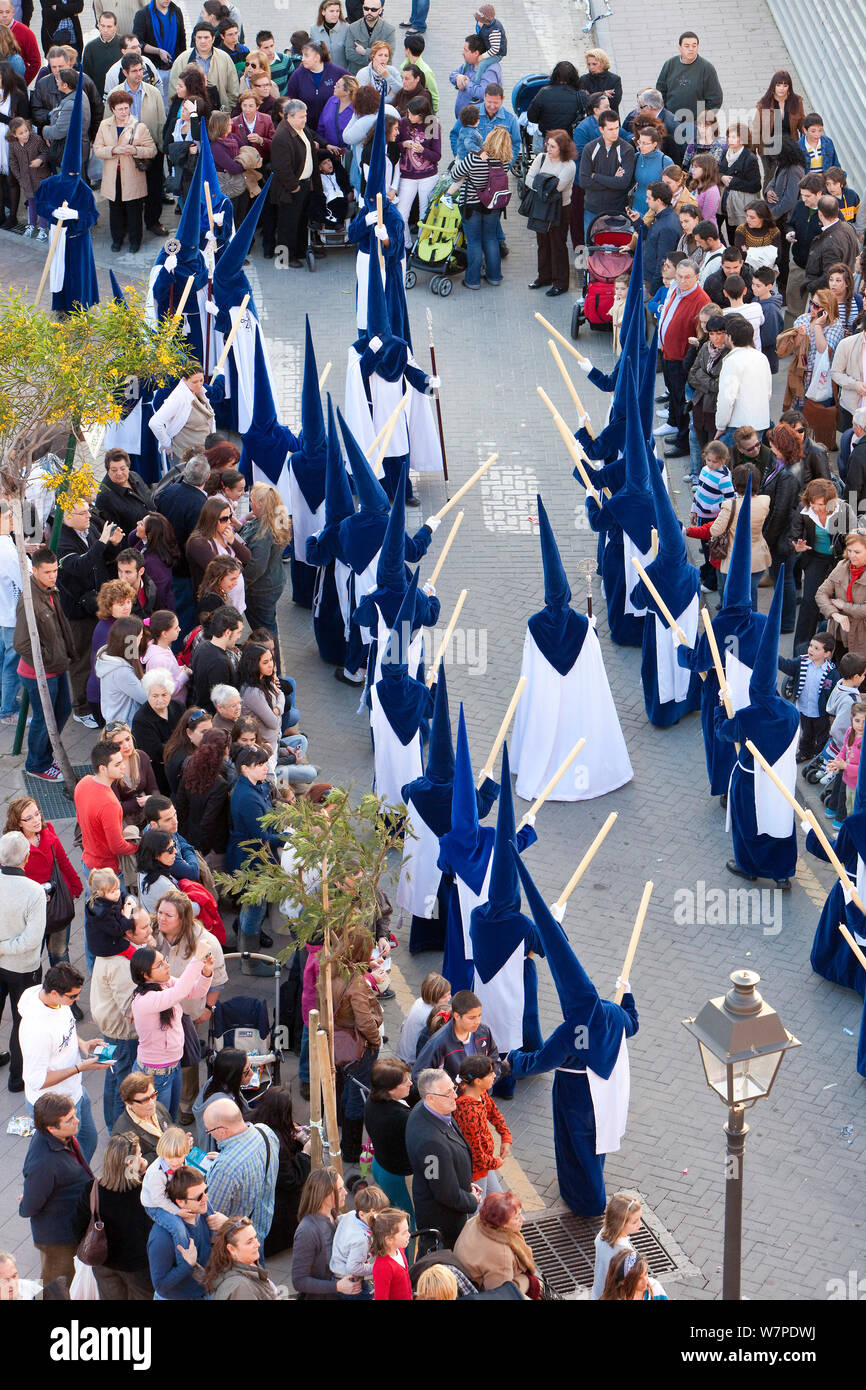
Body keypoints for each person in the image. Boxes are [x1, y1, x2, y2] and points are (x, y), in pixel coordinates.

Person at [19, 962, 110, 1162]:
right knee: (68, 1160)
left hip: (75, 1092)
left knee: (89, 1140)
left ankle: (79, 1178)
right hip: (54, 1108)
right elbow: (37, 1080)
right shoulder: (37, 1031)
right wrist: (79, 1068)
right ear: (53, 993)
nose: (77, 999)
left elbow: (65, 1030)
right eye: (73, 996)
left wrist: (83, 1044)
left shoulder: (42, 996)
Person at [13, 546, 76, 782]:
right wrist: (48, 658)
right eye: (47, 572)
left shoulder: (49, 589)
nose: (53, 576)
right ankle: (36, 764)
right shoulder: (29, 600)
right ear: (34, 570)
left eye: (54, 571)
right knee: (44, 718)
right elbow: (20, 643)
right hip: (39, 672)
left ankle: (46, 755)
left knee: (62, 710)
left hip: (56, 666)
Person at [19, 1092, 94, 1289]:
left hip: (72, 1223)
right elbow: (28, 1208)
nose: (77, 1120)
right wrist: (28, 1198)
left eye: (75, 1114)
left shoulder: (62, 1138)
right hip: (58, 1239)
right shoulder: (44, 1163)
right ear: (52, 1128)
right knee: (57, 1288)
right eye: (70, 1120)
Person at [130, 943, 212, 1117]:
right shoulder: (145, 999)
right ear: (145, 975)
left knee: (170, 1117)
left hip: (173, 1066)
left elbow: (194, 991)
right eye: (160, 965)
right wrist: (197, 960)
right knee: (159, 1121)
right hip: (155, 1074)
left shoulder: (164, 983)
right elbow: (181, 991)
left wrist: (206, 973)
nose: (167, 966)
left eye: (164, 960)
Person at [404, 1067, 478, 1251]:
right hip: (444, 1222)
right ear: (430, 1098)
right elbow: (445, 1192)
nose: (455, 1095)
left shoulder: (428, 1108)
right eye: (448, 1093)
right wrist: (472, 1200)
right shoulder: (430, 1143)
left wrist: (466, 1183)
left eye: (453, 1088)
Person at [4, 798, 82, 967]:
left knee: (60, 954)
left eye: (37, 814)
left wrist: (75, 886)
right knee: (31, 958)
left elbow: (62, 861)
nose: (36, 820)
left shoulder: (49, 833)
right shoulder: (12, 845)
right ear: (18, 823)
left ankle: (62, 990)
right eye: (29, 818)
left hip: (56, 904)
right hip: (29, 911)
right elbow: (8, 879)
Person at [0, 830, 47, 1095]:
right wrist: (5, 949)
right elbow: (31, 940)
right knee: (22, 1021)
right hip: (23, 968)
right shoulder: (34, 891)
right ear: (27, 858)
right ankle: (17, 1079)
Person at [791, 479, 856, 653]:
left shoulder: (843, 511)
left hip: (839, 562)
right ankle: (801, 651)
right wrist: (797, 547)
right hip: (815, 558)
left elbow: (852, 541)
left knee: (838, 603)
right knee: (809, 602)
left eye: (821, 504)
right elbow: (793, 536)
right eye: (813, 503)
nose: (816, 508)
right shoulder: (804, 510)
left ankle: (837, 652)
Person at [201, 1098, 279, 1245]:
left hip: (237, 1242)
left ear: (222, 1131)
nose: (209, 1134)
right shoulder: (265, 1132)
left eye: (209, 1130)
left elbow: (212, 1214)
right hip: (260, 1230)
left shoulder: (225, 1168)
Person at [93, 86, 157, 251]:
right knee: (115, 209)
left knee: (134, 210)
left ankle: (135, 241)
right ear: (113, 109)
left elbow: (152, 150)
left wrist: (135, 150)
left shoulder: (139, 126)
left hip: (132, 176)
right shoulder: (104, 125)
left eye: (126, 108)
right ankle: (117, 240)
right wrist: (113, 150)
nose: (123, 112)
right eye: (120, 109)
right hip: (112, 176)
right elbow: (97, 149)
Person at [448, 124, 511, 291]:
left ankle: (473, 280)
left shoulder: (474, 158)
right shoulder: (503, 161)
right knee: (490, 239)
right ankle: (494, 277)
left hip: (471, 205)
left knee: (474, 241)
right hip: (492, 205)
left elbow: (455, 176)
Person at [92, 1132, 154, 1300]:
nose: (142, 1158)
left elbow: (78, 1227)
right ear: (129, 1163)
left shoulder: (92, 1190)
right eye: (140, 1154)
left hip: (103, 1263)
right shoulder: (142, 1194)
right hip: (137, 1267)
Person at [707, 463, 771, 610]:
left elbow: (715, 531)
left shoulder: (730, 505)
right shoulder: (764, 501)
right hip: (757, 558)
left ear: (735, 484)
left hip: (734, 560)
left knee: (733, 597)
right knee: (751, 595)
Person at [74, 740, 141, 877]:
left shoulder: (83, 783)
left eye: (121, 761)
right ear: (102, 768)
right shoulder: (110, 804)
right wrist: (138, 846)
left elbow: (80, 820)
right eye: (117, 764)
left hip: (88, 862)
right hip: (108, 872)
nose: (123, 766)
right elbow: (117, 846)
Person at [454, 1191, 540, 1297]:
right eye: (517, 1218)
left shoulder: (480, 1219)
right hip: (478, 1291)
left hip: (463, 1272)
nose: (523, 1219)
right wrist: (529, 1281)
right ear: (501, 1224)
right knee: (534, 1282)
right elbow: (501, 1293)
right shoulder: (501, 1254)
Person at [292, 1168, 361, 1298]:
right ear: (324, 1194)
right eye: (339, 1189)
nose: (345, 1193)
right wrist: (337, 1286)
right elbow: (299, 1281)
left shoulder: (334, 1214)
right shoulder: (307, 1231)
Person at [147, 1165, 212, 1300]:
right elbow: (160, 1285)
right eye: (199, 1196)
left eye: (206, 1190)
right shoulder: (161, 1238)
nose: (206, 1198)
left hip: (207, 1290)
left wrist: (225, 1224)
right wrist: (187, 1265)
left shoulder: (205, 1210)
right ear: (181, 1202)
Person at [525, 128, 576, 298]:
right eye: (548, 145)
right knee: (542, 242)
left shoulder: (569, 165)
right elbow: (527, 179)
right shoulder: (541, 158)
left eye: (553, 146)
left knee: (557, 245)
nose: (548, 149)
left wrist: (540, 183)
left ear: (562, 148)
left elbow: (558, 188)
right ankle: (544, 277)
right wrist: (545, 185)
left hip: (560, 209)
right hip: (542, 206)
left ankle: (560, 283)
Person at [454, 1054, 511, 1196]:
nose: (494, 1075)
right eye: (490, 1073)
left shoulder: (481, 1092)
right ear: (478, 1081)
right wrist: (495, 1163)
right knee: (479, 1211)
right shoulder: (468, 1113)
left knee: (498, 1200)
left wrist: (505, 1136)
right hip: (476, 1170)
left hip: (485, 1164)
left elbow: (493, 1112)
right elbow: (475, 1153)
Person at [654, 31, 722, 150]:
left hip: (694, 124)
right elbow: (660, 91)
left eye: (694, 45)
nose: (691, 49)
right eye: (687, 46)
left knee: (691, 155)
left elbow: (716, 99)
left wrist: (702, 120)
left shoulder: (707, 68)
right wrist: (665, 114)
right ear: (679, 48)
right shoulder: (670, 64)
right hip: (671, 121)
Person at [363, 1057, 415, 1212]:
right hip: (399, 1177)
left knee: (392, 1206)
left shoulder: (373, 1099)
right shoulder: (401, 1118)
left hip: (380, 1165)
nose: (411, 1083)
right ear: (391, 1089)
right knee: (407, 1216)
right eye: (405, 1082)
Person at [778, 633, 839, 761]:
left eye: (816, 648)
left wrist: (832, 713)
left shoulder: (831, 672)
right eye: (811, 645)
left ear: (827, 653)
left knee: (822, 735)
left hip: (821, 712)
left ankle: (819, 755)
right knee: (805, 733)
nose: (811, 649)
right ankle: (805, 752)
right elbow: (787, 665)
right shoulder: (802, 662)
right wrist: (773, 655)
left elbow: (834, 694)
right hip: (804, 708)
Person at [713, 313, 772, 445]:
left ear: (731, 338)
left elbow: (727, 398)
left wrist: (720, 426)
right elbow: (768, 392)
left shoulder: (732, 361)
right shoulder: (761, 357)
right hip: (760, 422)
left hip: (739, 426)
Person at [578, 108, 635, 239]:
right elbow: (584, 181)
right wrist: (613, 180)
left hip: (617, 211)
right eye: (610, 129)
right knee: (592, 250)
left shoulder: (627, 150)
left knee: (616, 252)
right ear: (601, 129)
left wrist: (595, 176)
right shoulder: (590, 148)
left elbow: (623, 183)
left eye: (616, 128)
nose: (615, 132)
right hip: (592, 210)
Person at [330, 1181, 389, 1298]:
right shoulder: (361, 1240)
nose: (381, 1219)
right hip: (350, 1281)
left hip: (338, 1271)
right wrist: (376, 1267)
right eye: (377, 1216)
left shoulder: (351, 1214)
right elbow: (353, 1267)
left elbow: (338, 1221)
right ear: (362, 1214)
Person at [204, 1218, 286, 1300]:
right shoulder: (240, 1287)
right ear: (231, 1249)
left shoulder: (248, 1266)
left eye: (255, 1237)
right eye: (249, 1242)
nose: (258, 1244)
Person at [394, 96, 440, 236]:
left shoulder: (433, 125)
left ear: (422, 114)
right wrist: (403, 144)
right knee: (401, 213)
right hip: (407, 175)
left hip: (429, 175)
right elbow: (393, 146)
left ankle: (421, 246)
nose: (409, 116)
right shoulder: (402, 123)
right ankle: (406, 246)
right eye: (408, 112)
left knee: (425, 213)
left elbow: (437, 155)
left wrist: (423, 151)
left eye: (412, 114)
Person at [817, 533, 866, 659]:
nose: (852, 556)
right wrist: (835, 614)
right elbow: (821, 593)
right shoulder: (842, 566)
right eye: (849, 550)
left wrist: (844, 606)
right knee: (837, 669)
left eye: (857, 552)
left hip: (861, 635)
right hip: (838, 632)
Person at [785, 173, 827, 319]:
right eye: (802, 195)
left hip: (819, 273)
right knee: (793, 308)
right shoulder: (799, 206)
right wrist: (790, 232)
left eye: (807, 196)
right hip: (798, 266)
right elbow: (790, 223)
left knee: (820, 310)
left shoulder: (829, 211)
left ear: (819, 193)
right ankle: (790, 339)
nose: (803, 199)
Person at [804, 194, 860, 294]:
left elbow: (829, 276)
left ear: (820, 213)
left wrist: (810, 286)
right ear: (837, 210)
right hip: (846, 288)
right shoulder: (848, 227)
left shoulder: (830, 243)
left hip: (829, 295)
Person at [190, 606, 243, 711]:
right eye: (239, 632)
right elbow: (221, 703)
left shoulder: (202, 646)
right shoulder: (220, 663)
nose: (239, 637)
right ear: (227, 632)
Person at [592, 1191, 644, 1299]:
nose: (640, 1224)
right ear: (620, 1224)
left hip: (598, 1292)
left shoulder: (603, 1232)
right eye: (634, 1222)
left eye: (640, 1218)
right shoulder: (626, 1254)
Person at [111, 1070, 172, 1157]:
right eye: (144, 1100)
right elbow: (132, 1166)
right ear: (128, 1103)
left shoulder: (158, 1107)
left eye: (153, 1095)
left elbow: (171, 1127)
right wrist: (168, 1151)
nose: (152, 1103)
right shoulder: (123, 1135)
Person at [718, 122, 761, 239]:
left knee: (735, 236)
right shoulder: (725, 152)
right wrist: (721, 177)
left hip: (739, 204)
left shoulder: (750, 158)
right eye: (728, 137)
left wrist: (733, 182)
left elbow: (756, 185)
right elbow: (717, 171)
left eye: (733, 137)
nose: (729, 140)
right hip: (722, 201)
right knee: (716, 228)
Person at [397, 971, 450, 1063]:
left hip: (404, 1050)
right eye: (444, 997)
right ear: (434, 997)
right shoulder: (432, 1014)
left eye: (449, 994)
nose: (449, 998)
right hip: (413, 1056)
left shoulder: (419, 1001)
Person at [449, 33, 501, 118]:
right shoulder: (469, 64)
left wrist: (466, 84)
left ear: (476, 53)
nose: (462, 53)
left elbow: (485, 93)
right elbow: (452, 75)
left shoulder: (490, 71)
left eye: (466, 50)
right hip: (463, 119)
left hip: (476, 123)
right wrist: (458, 77)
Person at [527, 62, 582, 140]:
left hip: (549, 137)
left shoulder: (544, 92)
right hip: (571, 138)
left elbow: (531, 117)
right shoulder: (580, 95)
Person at [369, 1208, 412, 1300]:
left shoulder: (399, 1249)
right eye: (404, 1233)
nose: (409, 1235)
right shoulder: (383, 1267)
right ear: (389, 1239)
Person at [600, 1249, 666, 1300]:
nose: (645, 1280)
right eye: (638, 1279)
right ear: (623, 1281)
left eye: (645, 1273)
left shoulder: (655, 1288)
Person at [578, 47, 621, 115]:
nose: (591, 67)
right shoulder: (583, 80)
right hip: (592, 120)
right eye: (589, 64)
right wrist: (603, 94)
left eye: (594, 64)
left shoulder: (614, 79)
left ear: (603, 63)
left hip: (610, 119)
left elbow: (613, 104)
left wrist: (590, 96)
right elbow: (582, 102)